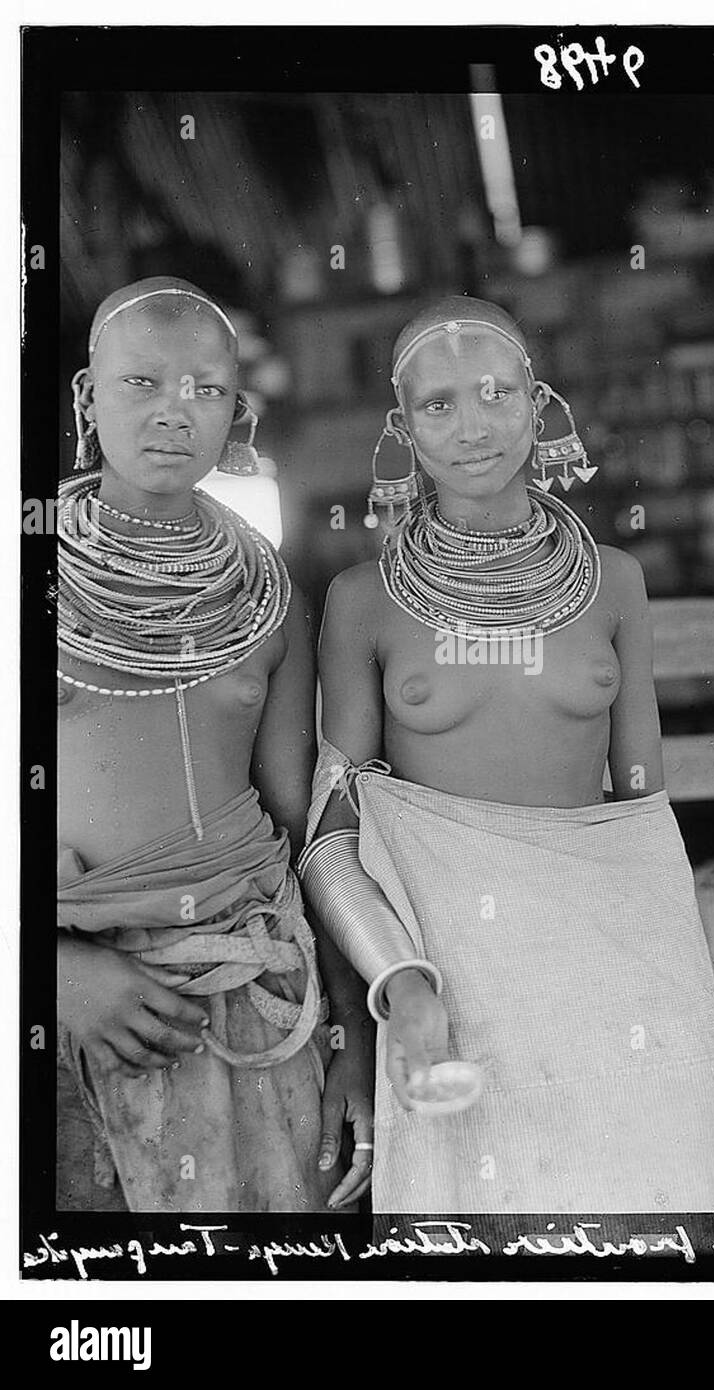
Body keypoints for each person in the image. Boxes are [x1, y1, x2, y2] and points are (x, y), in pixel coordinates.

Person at [300, 295, 714, 1214]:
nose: (472, 427)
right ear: (402, 429)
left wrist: (671, 998)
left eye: (495, 394)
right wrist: (398, 982)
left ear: (539, 404)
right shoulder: (361, 602)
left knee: (642, 1235)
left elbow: (644, 821)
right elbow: (330, 838)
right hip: (443, 984)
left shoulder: (616, 582)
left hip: (622, 978)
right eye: (437, 405)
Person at [56, 276, 373, 1212]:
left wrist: (350, 1036)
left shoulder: (266, 590)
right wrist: (58, 974)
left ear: (237, 411)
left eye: (204, 390)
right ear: (87, 397)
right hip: (77, 999)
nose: (172, 413)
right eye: (141, 384)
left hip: (258, 992)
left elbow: (303, 820)